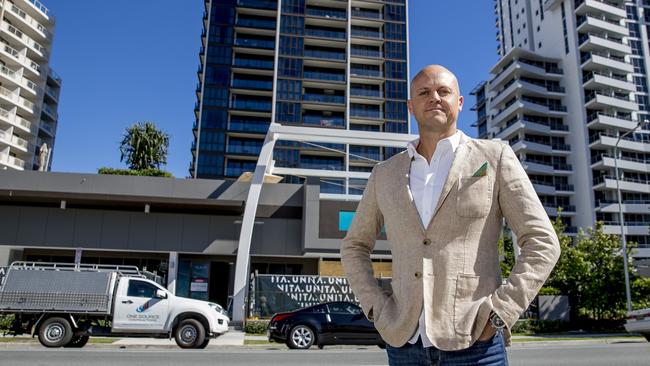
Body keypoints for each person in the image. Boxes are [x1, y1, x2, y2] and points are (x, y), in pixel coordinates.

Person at [341, 65, 560, 365]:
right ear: (410, 106)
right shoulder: (384, 174)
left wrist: (501, 312)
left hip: (477, 345)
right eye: (423, 92)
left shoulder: (494, 157)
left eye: (444, 91)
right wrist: (376, 307)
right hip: (405, 347)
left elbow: (542, 241)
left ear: (459, 102)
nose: (434, 98)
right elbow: (354, 246)